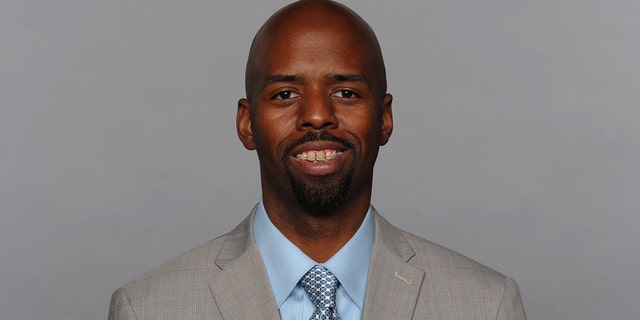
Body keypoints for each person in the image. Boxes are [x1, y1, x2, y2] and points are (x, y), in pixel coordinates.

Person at [108, 1, 526, 319]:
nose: (317, 115)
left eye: (345, 92)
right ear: (247, 124)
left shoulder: (486, 305)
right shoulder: (148, 309)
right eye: (285, 94)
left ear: (384, 119)